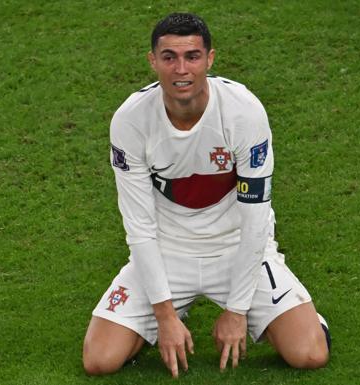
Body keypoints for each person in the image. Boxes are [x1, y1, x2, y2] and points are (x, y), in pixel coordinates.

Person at [83, 12, 330, 378]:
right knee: (99, 361)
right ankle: (154, 329)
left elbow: (255, 218)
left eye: (192, 57)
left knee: (310, 354)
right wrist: (164, 316)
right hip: (168, 250)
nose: (181, 69)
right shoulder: (130, 121)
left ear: (210, 59)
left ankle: (306, 318)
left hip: (236, 246)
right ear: (153, 61)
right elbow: (139, 226)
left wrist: (237, 310)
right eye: (169, 57)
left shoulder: (243, 112)